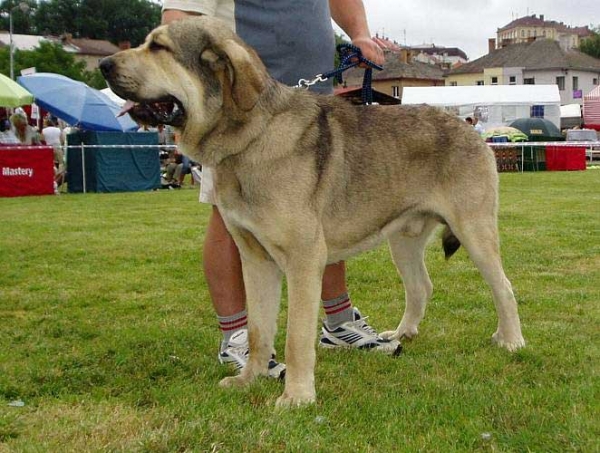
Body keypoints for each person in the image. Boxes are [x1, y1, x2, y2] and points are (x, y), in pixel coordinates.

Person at [162, 0, 401, 377]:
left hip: (310, 98)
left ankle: (338, 322)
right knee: (228, 217)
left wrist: (358, 33)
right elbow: (179, 18)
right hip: (238, 106)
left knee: (317, 213)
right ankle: (238, 338)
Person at [42, 116, 66, 187]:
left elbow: (42, 140)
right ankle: (58, 177)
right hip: (58, 147)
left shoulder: (43, 130)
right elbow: (62, 139)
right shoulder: (58, 129)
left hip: (48, 148)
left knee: (51, 164)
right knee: (61, 163)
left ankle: (53, 177)